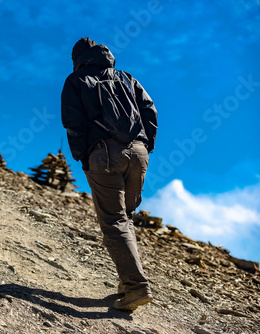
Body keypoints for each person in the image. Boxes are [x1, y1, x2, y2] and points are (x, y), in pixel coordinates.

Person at [61, 37, 158, 311]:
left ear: (78, 59)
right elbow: (149, 110)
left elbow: (73, 122)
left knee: (114, 222)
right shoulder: (126, 78)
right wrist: (146, 144)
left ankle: (136, 287)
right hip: (138, 153)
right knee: (126, 218)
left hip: (103, 153)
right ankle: (127, 283)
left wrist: (83, 157)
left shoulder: (76, 80)